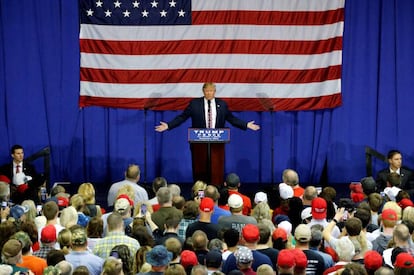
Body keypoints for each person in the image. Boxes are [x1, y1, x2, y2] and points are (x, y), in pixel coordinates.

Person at [155, 82, 260, 185]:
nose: (209, 93)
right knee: (199, 168)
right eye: (207, 91)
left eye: (211, 91)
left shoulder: (222, 104)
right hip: (199, 143)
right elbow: (182, 117)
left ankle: (215, 191)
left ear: (215, 92)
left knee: (216, 169)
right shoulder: (195, 104)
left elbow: (231, 119)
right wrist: (168, 125)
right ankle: (200, 192)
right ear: (203, 91)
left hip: (217, 143)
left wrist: (246, 125)